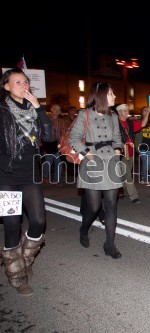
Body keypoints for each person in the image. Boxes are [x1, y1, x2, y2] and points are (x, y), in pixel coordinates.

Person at [0, 68, 56, 295]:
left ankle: (23, 259)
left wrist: (39, 108)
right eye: (17, 82)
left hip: (30, 173)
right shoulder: (2, 111)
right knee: (12, 224)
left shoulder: (34, 110)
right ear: (6, 87)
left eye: (25, 82)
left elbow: (50, 137)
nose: (24, 85)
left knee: (38, 220)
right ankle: (17, 276)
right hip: (7, 175)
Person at [69, 82, 124, 258]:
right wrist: (90, 156)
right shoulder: (84, 114)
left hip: (111, 162)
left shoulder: (113, 115)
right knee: (93, 207)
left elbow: (117, 138)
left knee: (111, 205)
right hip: (92, 161)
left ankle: (109, 245)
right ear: (101, 95)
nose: (114, 96)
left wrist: (117, 152)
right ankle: (83, 229)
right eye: (111, 93)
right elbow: (74, 138)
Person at [116, 103, 147, 204]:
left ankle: (119, 190)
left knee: (124, 173)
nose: (127, 112)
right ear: (119, 112)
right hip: (120, 152)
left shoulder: (130, 123)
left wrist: (147, 114)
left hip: (130, 152)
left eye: (127, 110)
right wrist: (120, 144)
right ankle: (134, 197)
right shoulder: (114, 123)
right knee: (128, 175)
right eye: (125, 110)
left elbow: (142, 124)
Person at [42, 103, 69, 184]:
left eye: (59, 110)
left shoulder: (61, 121)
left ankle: (56, 180)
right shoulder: (46, 120)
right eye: (55, 109)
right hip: (48, 144)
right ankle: (45, 176)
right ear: (51, 109)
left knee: (59, 163)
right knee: (48, 162)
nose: (57, 111)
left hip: (58, 144)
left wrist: (63, 142)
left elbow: (64, 132)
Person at [134, 106, 150, 186]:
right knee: (145, 163)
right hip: (142, 146)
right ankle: (145, 180)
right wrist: (136, 146)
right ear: (142, 112)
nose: (146, 111)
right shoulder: (138, 121)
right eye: (144, 110)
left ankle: (143, 173)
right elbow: (136, 135)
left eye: (147, 110)